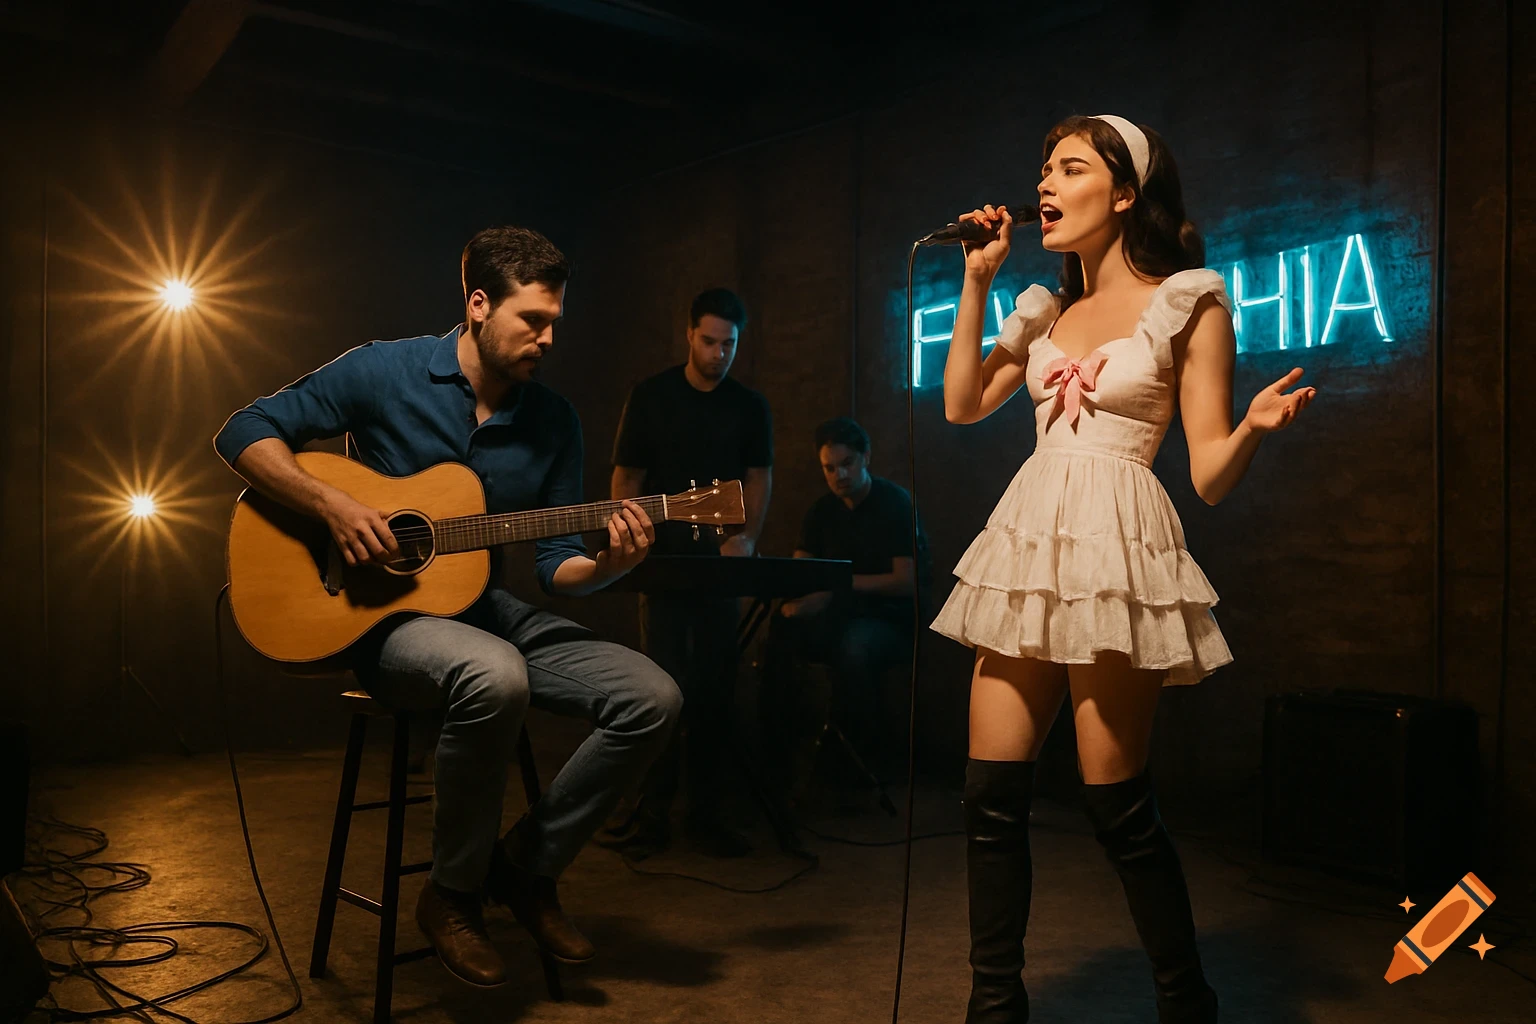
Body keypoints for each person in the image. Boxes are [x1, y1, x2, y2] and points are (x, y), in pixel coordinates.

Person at [212, 226, 683, 989]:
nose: (549, 337)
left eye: (557, 320)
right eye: (533, 320)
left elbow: (558, 564)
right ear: (477, 305)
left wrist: (610, 565)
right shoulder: (383, 369)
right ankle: (452, 897)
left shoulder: (554, 420)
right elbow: (242, 431)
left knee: (653, 697)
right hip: (385, 621)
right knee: (494, 676)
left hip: (484, 609)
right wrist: (332, 504)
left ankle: (525, 868)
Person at [930, 115, 1315, 1024]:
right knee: (989, 796)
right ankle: (996, 1007)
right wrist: (978, 283)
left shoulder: (1189, 300)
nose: (1046, 186)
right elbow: (959, 405)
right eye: (1043, 170)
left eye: (1070, 168)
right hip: (1030, 544)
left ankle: (1187, 1000)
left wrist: (1252, 431)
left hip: (1114, 546)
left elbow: (1210, 477)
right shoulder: (1042, 307)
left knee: (1116, 806)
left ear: (1127, 193)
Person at [607, 288, 773, 858]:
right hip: (662, 564)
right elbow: (626, 476)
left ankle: (707, 814)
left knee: (715, 692)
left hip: (717, 569)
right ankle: (651, 813)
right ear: (688, 334)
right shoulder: (651, 396)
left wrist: (746, 537)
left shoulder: (748, 406)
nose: (718, 353)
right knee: (661, 690)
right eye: (709, 341)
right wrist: (629, 542)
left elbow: (759, 475)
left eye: (729, 344)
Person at [768, 417, 924, 777]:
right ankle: (777, 757)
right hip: (838, 615)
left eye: (846, 464)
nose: (839, 475)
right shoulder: (822, 511)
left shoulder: (894, 504)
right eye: (829, 468)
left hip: (890, 620)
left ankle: (856, 766)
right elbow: (801, 572)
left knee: (853, 647)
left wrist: (835, 587)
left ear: (866, 457)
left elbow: (906, 581)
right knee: (780, 632)